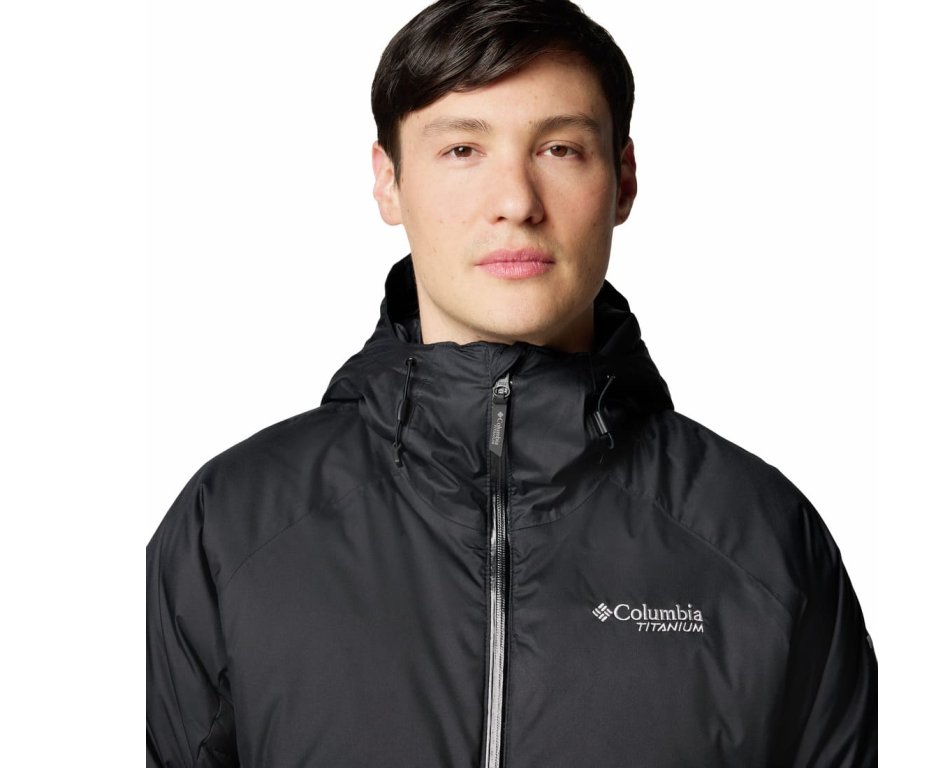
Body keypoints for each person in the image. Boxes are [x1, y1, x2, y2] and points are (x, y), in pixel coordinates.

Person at [146, 0, 877, 765]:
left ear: (623, 180)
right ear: (388, 181)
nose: (517, 203)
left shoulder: (761, 538)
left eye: (560, 149)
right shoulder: (230, 526)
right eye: (463, 149)